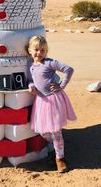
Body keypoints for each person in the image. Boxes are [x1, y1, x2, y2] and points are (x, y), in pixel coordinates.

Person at [27, 36, 76, 173]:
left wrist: (62, 85)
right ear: (30, 50)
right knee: (43, 131)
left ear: (46, 51)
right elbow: (31, 80)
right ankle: (56, 147)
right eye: (36, 50)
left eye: (43, 50)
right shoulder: (31, 67)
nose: (39, 53)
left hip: (54, 100)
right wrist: (31, 86)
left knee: (56, 131)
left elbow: (68, 69)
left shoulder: (49, 63)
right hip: (42, 101)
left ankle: (60, 159)